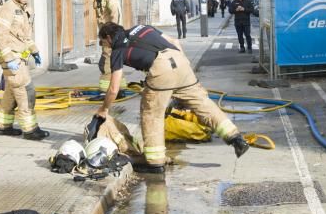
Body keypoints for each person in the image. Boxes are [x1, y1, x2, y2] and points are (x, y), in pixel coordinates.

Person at [95, 22, 249, 174]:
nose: (105, 47)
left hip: (160, 68)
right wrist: (184, 64)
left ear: (108, 37)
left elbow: (114, 88)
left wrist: (104, 109)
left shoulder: (117, 51)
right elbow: (174, 41)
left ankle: (155, 163)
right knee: (203, 104)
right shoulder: (142, 27)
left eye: (103, 43)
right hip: (180, 61)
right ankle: (235, 137)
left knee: (151, 114)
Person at [0, 0, 48, 140]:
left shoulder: (24, 10)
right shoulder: (7, 9)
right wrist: (8, 59)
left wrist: (35, 51)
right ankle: (30, 129)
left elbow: (25, 36)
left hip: (19, 58)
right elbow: (0, 37)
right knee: (25, 91)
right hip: (12, 59)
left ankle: (2, 126)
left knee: (11, 92)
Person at [88, 0, 122, 90]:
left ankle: (106, 89)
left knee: (106, 61)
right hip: (106, 33)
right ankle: (117, 86)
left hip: (110, 34)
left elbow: (114, 13)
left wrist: (111, 35)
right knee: (113, 60)